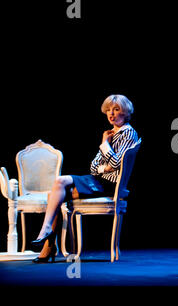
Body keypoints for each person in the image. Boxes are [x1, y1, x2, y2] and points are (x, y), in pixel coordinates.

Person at [31, 94, 139, 263]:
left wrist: (104, 145)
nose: (111, 114)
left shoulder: (128, 133)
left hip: (108, 184)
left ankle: (48, 243)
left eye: (116, 110)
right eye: (109, 110)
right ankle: (47, 236)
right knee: (59, 185)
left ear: (125, 113)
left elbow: (118, 164)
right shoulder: (111, 133)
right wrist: (105, 164)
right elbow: (93, 166)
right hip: (97, 180)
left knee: (56, 192)